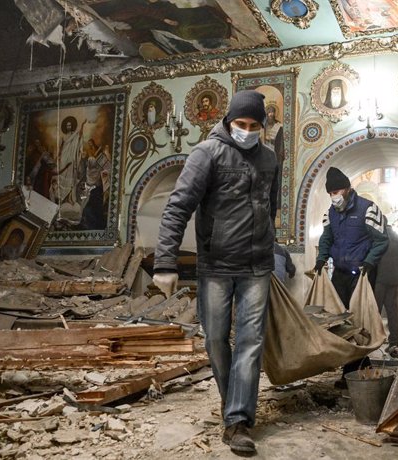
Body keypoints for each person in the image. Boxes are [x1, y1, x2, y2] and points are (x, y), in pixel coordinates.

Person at [153, 90, 278, 455]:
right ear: (228, 121)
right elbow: (178, 207)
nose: (247, 130)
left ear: (262, 127)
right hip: (217, 265)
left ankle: (237, 421)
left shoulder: (269, 158)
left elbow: (271, 205)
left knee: (251, 341)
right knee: (216, 340)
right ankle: (231, 408)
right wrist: (165, 262)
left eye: (255, 125)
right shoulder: (206, 153)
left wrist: (270, 241)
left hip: (257, 265)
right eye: (241, 124)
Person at [314, 167, 389, 386]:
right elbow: (327, 238)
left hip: (362, 273)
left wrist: (369, 261)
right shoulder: (331, 213)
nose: (333, 196)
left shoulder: (368, 209)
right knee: (339, 320)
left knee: (358, 321)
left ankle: (351, 371)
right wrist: (321, 258)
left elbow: (382, 241)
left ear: (347, 189)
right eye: (330, 193)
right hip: (340, 273)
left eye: (336, 191)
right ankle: (356, 365)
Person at [374, 221, 398, 359]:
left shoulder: (380, 237)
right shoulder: (397, 239)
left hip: (380, 279)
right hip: (393, 280)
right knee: (392, 312)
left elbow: (375, 258)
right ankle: (394, 343)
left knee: (375, 311)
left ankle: (373, 341)